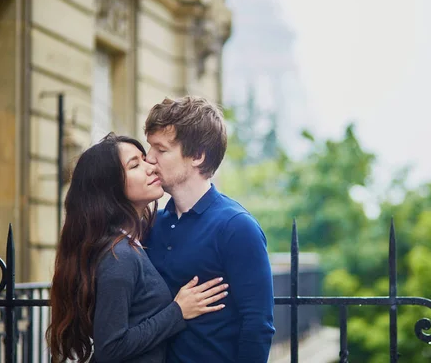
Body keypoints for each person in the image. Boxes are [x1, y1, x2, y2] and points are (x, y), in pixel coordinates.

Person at [47, 133, 229, 363]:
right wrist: (177, 311)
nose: (151, 167)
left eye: (145, 159)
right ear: (110, 187)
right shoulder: (118, 256)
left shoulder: (131, 243)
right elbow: (110, 348)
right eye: (135, 165)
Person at [143, 96, 276, 363]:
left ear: (198, 156)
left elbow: (258, 326)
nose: (149, 159)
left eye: (161, 149)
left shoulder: (236, 227)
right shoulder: (150, 223)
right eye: (150, 148)